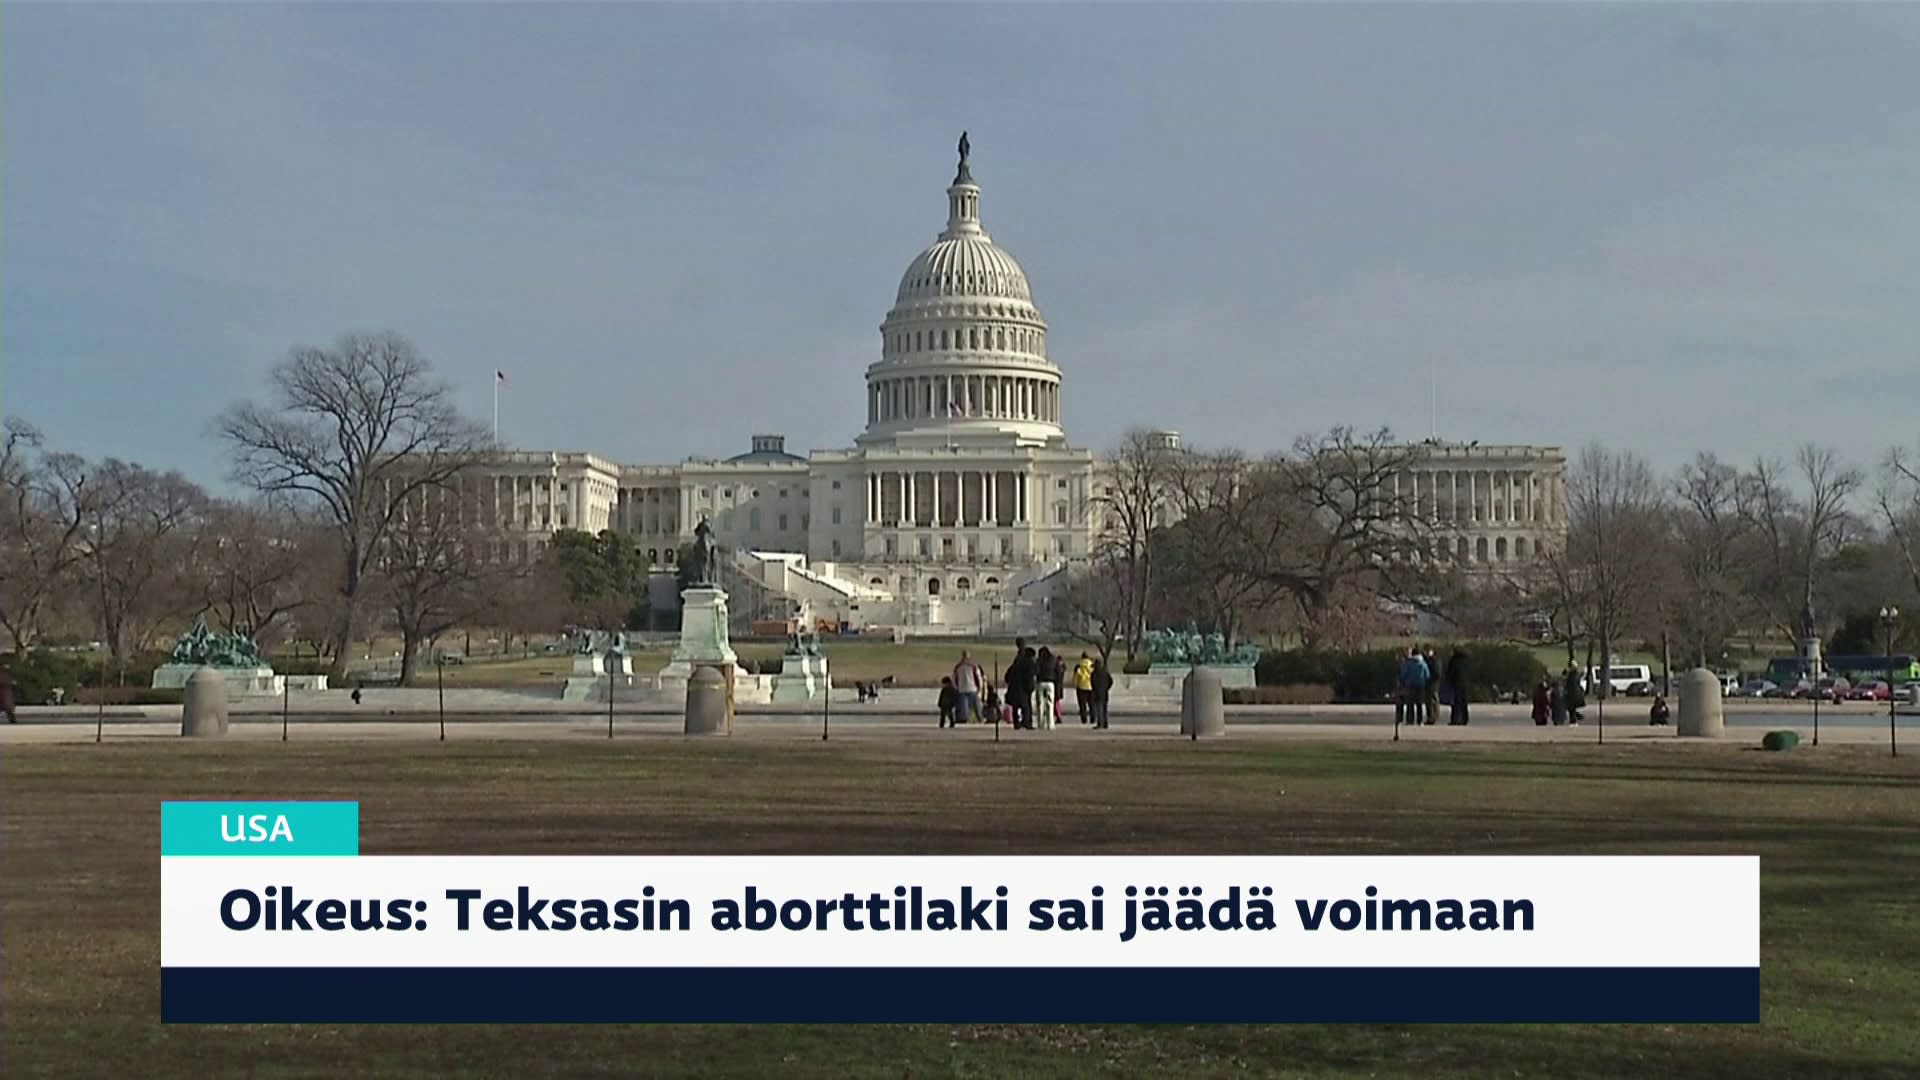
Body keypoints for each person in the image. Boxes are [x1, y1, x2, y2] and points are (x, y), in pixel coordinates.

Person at [1395, 647, 1430, 727]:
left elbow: (1403, 674)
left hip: (1410, 685)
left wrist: (1403, 681)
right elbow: (1427, 674)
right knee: (1419, 704)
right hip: (1420, 685)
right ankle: (1419, 721)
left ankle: (1410, 720)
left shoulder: (1408, 663)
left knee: (1410, 704)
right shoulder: (1423, 663)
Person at [1005, 646, 1036, 729]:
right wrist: (1031, 688)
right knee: (1026, 706)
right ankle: (1027, 722)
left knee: (1015, 706)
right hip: (1024, 688)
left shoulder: (1016, 663)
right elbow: (1030, 676)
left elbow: (1008, 676)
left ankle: (1016, 723)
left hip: (1014, 687)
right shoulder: (1029, 663)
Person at [952, 650, 983, 725]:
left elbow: (954, 678)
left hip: (964, 689)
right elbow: (978, 677)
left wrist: (956, 687)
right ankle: (978, 718)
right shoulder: (973, 666)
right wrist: (980, 687)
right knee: (974, 705)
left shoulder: (958, 667)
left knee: (965, 706)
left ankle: (964, 718)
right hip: (971, 688)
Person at [1443, 647, 1469, 725]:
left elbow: (1451, 672)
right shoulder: (1466, 660)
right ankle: (1464, 719)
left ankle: (1455, 719)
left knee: (1455, 703)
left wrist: (1447, 680)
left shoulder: (1454, 661)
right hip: (1464, 683)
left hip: (1455, 683)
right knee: (1464, 702)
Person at [1034, 646, 1057, 731]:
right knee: (1050, 704)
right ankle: (1050, 724)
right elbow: (1057, 670)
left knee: (1040, 704)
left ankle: (1040, 724)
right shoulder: (1053, 659)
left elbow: (1036, 671)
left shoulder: (1039, 660)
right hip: (1050, 682)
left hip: (1040, 682)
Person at [1091, 657, 1114, 729]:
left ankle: (1100, 723)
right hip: (1104, 692)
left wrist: (1094, 690)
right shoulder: (1105, 672)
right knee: (1104, 709)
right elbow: (1111, 681)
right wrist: (1106, 688)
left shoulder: (1094, 673)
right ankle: (1105, 723)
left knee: (1099, 709)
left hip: (1097, 693)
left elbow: (1093, 683)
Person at [1072, 653, 1095, 724]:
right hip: (1091, 687)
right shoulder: (1092, 665)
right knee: (1092, 704)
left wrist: (1075, 684)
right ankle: (1093, 718)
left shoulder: (1078, 666)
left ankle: (1084, 718)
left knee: (1082, 704)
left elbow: (1076, 676)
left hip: (1081, 687)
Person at [1422, 647, 1442, 726]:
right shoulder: (1427, 660)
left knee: (1433, 700)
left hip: (1433, 683)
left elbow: (1437, 673)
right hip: (1429, 683)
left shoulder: (1434, 661)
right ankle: (1430, 717)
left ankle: (1434, 717)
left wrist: (1430, 680)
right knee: (1429, 701)